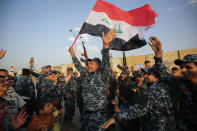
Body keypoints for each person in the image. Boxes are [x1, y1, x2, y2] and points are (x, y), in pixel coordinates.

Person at [101, 36, 176, 131]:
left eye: (149, 74)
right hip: (146, 122)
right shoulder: (151, 87)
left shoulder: (165, 87)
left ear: (157, 75)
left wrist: (158, 54)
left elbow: (139, 109)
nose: (146, 76)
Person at [68, 29, 116, 131]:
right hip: (87, 112)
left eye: (92, 63)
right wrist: (72, 55)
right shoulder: (87, 74)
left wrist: (106, 46)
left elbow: (106, 62)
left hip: (99, 114)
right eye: (89, 63)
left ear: (98, 66)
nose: (89, 64)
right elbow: (79, 67)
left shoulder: (102, 74)